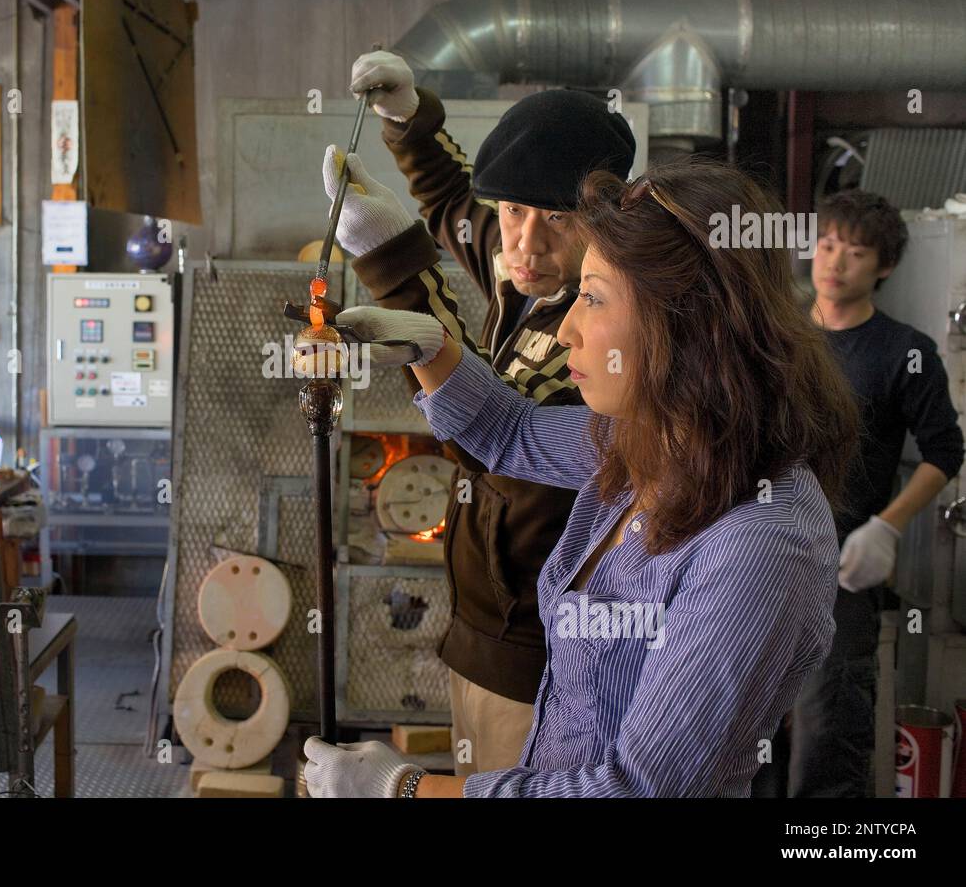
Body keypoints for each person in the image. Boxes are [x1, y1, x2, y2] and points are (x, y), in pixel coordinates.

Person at [304, 157, 859, 797]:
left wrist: (402, 790)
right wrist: (433, 349)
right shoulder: (650, 441)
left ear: (686, 324)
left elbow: (635, 793)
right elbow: (511, 435)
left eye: (591, 299)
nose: (567, 329)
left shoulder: (759, 546)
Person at [325, 50, 635, 774]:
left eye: (556, 219)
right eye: (516, 211)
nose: (524, 243)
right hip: (480, 628)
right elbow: (459, 207)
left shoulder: (606, 336)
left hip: (536, 649)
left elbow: (490, 437)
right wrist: (408, 120)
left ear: (608, 218)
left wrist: (396, 264)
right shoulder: (535, 260)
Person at [783, 189, 964, 796]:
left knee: (827, 736)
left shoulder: (904, 352)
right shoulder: (778, 335)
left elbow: (945, 450)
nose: (834, 263)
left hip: (841, 564)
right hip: (757, 557)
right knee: (747, 735)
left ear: (883, 267)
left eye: (855, 253)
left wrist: (885, 526)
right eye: (828, 245)